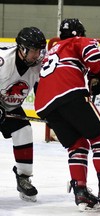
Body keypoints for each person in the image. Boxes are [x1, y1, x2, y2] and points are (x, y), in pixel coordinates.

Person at [34, 18, 100, 210]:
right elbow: (92, 57)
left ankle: (80, 192)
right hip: (69, 93)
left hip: (44, 104)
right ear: (80, 33)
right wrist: (97, 75)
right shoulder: (79, 41)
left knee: (78, 144)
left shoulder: (53, 49)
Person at [0, 27, 46, 202]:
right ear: (21, 48)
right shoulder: (3, 61)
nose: (37, 55)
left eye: (39, 50)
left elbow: (43, 94)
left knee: (24, 131)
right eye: (33, 50)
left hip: (10, 108)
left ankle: (23, 178)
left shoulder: (39, 65)